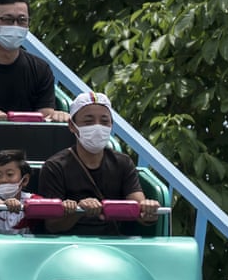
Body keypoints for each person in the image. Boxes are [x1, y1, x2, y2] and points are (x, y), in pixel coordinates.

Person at [37, 91, 159, 236]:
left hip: (112, 244)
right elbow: (52, 225)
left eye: (104, 121)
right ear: (72, 125)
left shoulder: (123, 163)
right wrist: (79, 211)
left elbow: (140, 210)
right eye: (88, 121)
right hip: (68, 244)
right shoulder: (55, 166)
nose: (97, 127)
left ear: (111, 125)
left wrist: (149, 211)